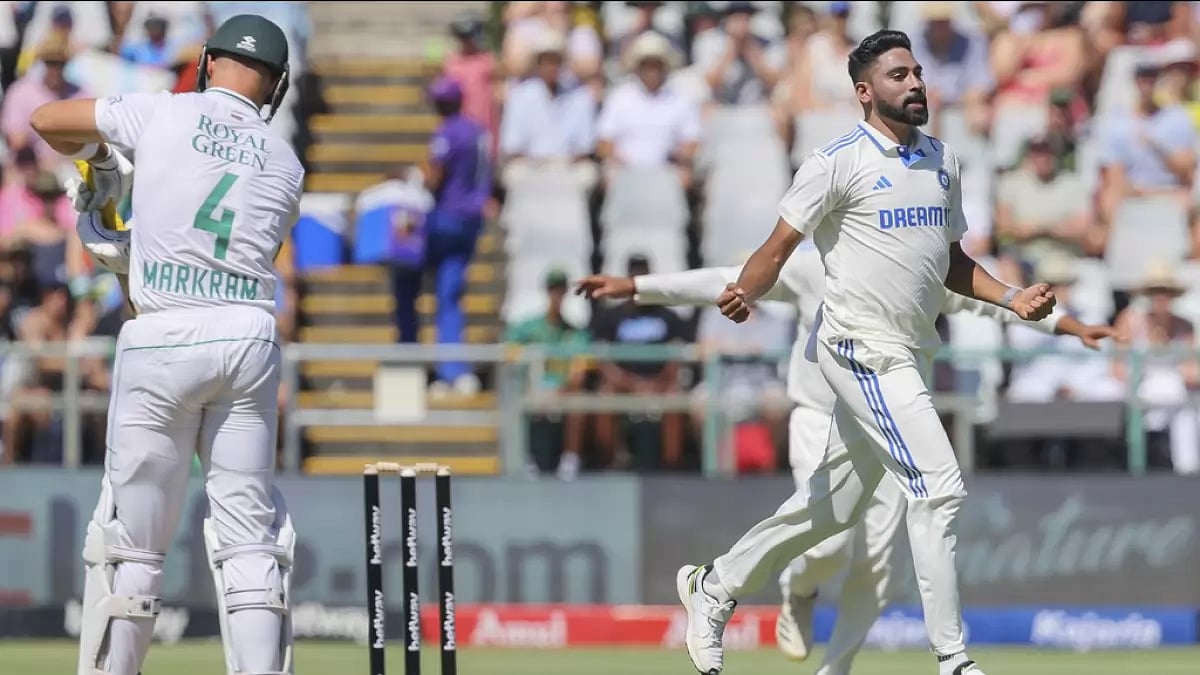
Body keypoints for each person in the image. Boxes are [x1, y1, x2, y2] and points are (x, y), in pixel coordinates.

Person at [666, 30, 1057, 675]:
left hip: (907, 352)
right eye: (899, 75)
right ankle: (953, 659)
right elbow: (777, 246)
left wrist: (1009, 297)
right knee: (939, 490)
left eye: (918, 73)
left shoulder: (943, 162)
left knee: (830, 509)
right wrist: (745, 294)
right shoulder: (836, 160)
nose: (916, 84)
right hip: (859, 350)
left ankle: (714, 585)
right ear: (865, 92)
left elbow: (950, 262)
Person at [576, 248, 1115, 674]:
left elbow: (1003, 300)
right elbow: (728, 276)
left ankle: (838, 666)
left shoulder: (927, 265)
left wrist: (1073, 328)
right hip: (818, 416)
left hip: (892, 422)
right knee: (832, 537)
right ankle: (795, 588)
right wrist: (638, 289)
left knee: (878, 567)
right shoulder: (817, 265)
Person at [31, 14, 302, 675]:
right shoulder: (287, 163)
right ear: (277, 86)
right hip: (246, 337)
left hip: (161, 336)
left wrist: (101, 159)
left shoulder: (162, 114)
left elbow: (46, 120)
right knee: (249, 542)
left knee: (133, 549)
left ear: (208, 62)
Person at [414, 76, 492, 396]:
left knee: (416, 286)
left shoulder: (446, 132)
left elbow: (435, 176)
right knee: (451, 295)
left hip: (446, 218)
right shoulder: (478, 132)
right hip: (472, 220)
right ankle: (454, 369)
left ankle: (440, 368)